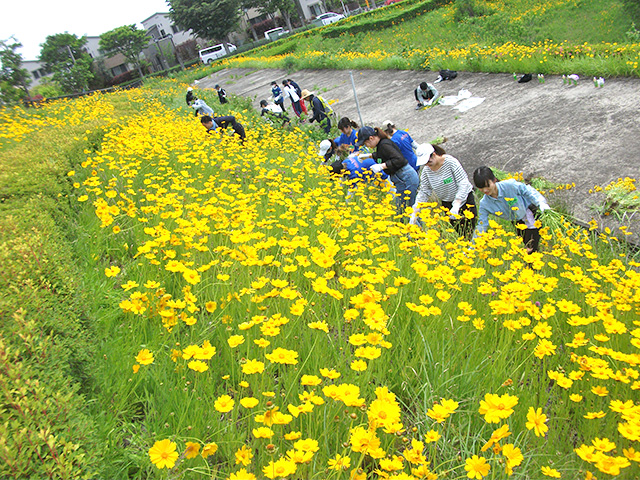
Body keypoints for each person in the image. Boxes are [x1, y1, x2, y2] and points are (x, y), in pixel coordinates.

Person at [473, 166, 550, 253]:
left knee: (531, 248)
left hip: (529, 213)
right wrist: (473, 247)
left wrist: (540, 202)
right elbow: (481, 225)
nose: (485, 190)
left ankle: (533, 262)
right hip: (516, 221)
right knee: (526, 246)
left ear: (494, 180)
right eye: (481, 188)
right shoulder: (485, 204)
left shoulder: (509, 185)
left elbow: (528, 190)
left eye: (487, 186)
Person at [411, 143, 477, 239]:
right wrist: (415, 210)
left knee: (472, 230)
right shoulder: (426, 171)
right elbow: (424, 191)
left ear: (434, 154)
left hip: (465, 201)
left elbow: (463, 183)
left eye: (429, 162)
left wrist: (457, 203)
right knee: (462, 234)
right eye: (425, 163)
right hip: (447, 205)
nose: (427, 165)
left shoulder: (450, 162)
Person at [356, 126, 419, 219]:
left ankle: (415, 231)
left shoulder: (384, 144)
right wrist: (368, 156)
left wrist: (382, 166)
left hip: (405, 178)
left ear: (371, 138)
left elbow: (399, 159)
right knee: (408, 210)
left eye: (366, 143)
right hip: (404, 178)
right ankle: (420, 230)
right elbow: (382, 155)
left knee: (403, 212)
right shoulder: (382, 144)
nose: (367, 146)